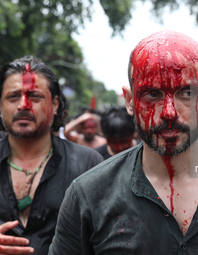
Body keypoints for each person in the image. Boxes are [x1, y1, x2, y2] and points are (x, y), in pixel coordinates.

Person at [49, 30, 198, 254]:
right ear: (130, 101)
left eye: (187, 93)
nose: (170, 112)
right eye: (153, 94)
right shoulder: (88, 195)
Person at [0, 56, 103, 255]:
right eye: (13, 97)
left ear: (55, 105)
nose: (23, 105)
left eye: (35, 97)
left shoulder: (89, 164)